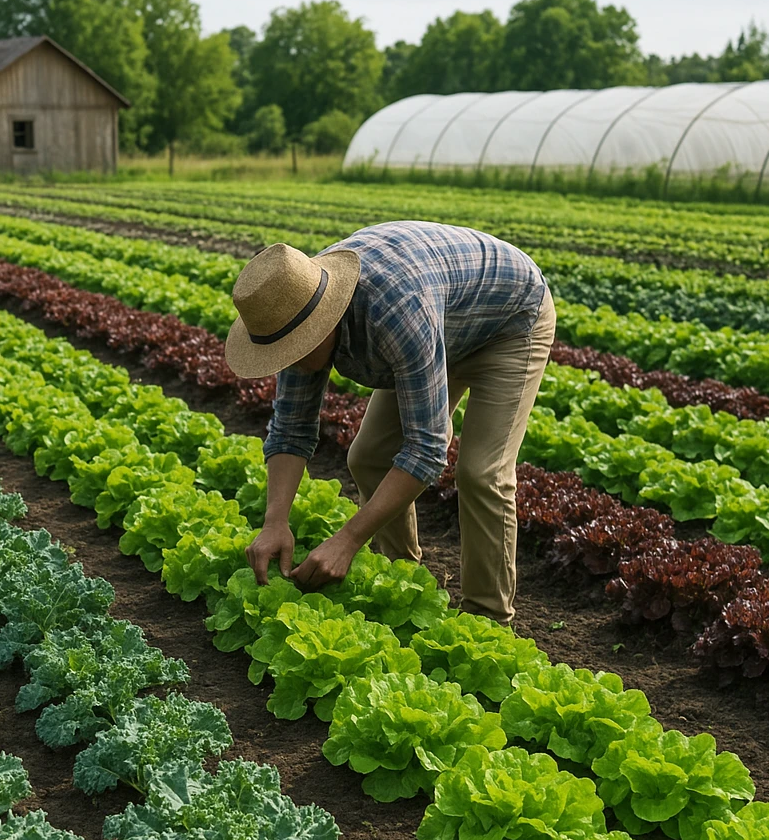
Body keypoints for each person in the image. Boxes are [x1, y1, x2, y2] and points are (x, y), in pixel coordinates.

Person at [223, 220, 555, 626]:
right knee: (370, 456)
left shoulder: (394, 312)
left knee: (481, 472)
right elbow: (291, 429)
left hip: (510, 321)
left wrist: (349, 539)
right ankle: (405, 582)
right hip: (442, 316)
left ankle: (488, 618)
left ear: (322, 324)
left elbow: (427, 449)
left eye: (294, 348)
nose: (287, 359)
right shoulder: (292, 304)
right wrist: (275, 522)